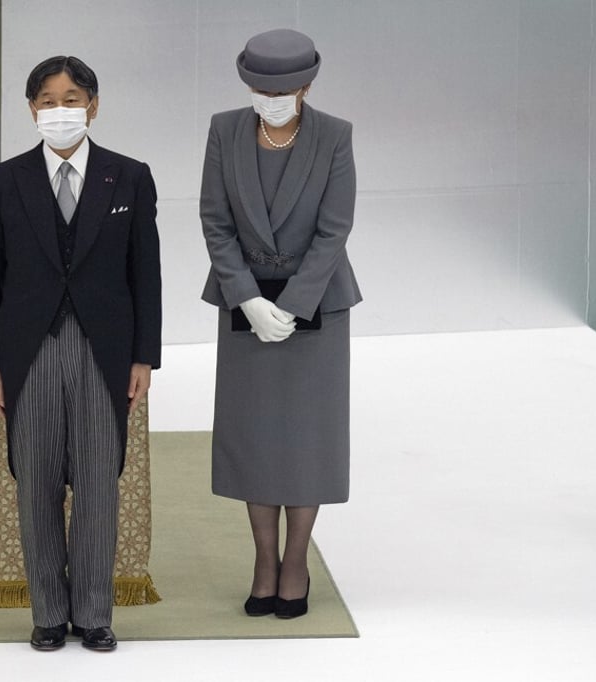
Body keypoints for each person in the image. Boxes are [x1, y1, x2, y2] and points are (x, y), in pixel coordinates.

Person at [0, 55, 162, 652]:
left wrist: (143, 357)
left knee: (100, 482)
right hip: (31, 352)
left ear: (94, 105)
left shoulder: (129, 176)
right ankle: (49, 611)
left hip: (104, 351)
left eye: (72, 98)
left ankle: (96, 613)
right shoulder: (2, 181)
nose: (60, 110)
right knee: (37, 482)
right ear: (31, 110)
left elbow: (145, 274)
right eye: (48, 100)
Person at [199, 28, 361, 619]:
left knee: (305, 440)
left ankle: (296, 561)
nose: (270, 97)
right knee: (256, 436)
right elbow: (215, 220)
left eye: (283, 89)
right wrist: (246, 298)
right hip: (245, 305)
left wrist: (292, 304)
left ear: (306, 85)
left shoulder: (335, 136)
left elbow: (334, 228)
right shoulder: (224, 130)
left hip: (315, 303)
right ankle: (263, 559)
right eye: (259, 88)